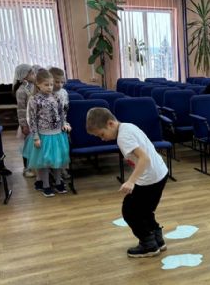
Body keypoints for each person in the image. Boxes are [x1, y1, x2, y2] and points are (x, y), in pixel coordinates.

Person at [86, 107, 169, 258]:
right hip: (160, 173)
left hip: (150, 179)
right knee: (145, 210)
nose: (102, 139)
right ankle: (158, 240)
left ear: (110, 124)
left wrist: (131, 181)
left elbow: (144, 159)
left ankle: (148, 244)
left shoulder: (123, 137)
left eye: (102, 134)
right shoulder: (127, 126)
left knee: (129, 211)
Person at [22, 69, 71, 197]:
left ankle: (58, 182)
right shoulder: (34, 100)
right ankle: (46, 185)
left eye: (51, 84)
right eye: (46, 85)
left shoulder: (57, 97)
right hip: (43, 135)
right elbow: (33, 120)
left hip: (57, 134)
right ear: (38, 84)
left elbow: (61, 114)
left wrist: (64, 124)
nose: (50, 87)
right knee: (43, 161)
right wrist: (36, 137)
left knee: (58, 159)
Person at [14, 64, 36, 177]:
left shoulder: (34, 86)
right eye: (31, 73)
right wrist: (24, 125)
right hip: (27, 123)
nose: (34, 75)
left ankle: (35, 166)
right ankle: (26, 168)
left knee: (34, 145)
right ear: (24, 76)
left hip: (36, 122)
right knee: (27, 146)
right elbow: (21, 109)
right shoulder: (21, 90)